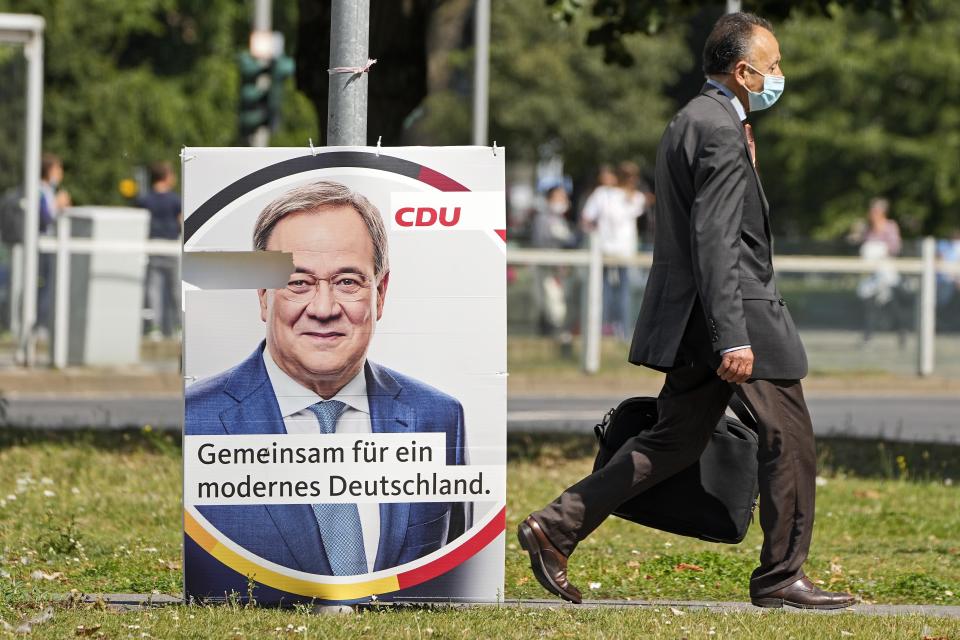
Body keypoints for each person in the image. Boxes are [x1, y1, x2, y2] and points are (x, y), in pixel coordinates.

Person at [517, 13, 856, 610]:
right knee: (790, 439)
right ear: (744, 71)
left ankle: (557, 526)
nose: (779, 75)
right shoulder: (720, 129)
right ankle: (782, 577)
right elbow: (716, 239)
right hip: (737, 314)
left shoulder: (689, 119)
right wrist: (732, 337)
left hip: (698, 314)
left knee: (674, 439)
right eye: (772, 66)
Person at [185, 180, 467, 580]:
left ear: (381, 293)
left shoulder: (439, 418)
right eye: (298, 282)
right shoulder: (196, 422)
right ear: (264, 294)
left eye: (347, 282)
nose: (323, 308)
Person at [581, 162, 648, 340]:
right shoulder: (603, 194)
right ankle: (602, 330)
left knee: (623, 290)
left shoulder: (635, 197)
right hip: (604, 251)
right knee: (604, 291)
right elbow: (587, 218)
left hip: (624, 251)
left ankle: (623, 332)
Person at [853, 198, 909, 346]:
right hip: (872, 273)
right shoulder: (868, 230)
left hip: (886, 272)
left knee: (892, 304)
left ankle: (901, 333)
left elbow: (895, 247)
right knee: (869, 304)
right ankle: (868, 336)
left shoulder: (890, 227)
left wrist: (880, 252)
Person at [136, 161, 182, 339]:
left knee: (153, 288)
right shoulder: (175, 200)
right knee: (175, 289)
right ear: (167, 176)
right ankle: (178, 326)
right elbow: (181, 222)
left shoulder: (144, 200)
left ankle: (154, 327)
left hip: (152, 246)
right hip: (170, 246)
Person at [530, 185, 575, 345]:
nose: (563, 201)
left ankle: (559, 336)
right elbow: (542, 243)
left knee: (560, 303)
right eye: (558, 197)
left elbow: (569, 241)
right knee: (552, 303)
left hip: (560, 270)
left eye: (564, 197)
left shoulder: (562, 220)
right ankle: (554, 337)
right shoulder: (542, 219)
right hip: (547, 269)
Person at [36, 153, 71, 336]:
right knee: (44, 286)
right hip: (41, 246)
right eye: (58, 168)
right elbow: (45, 218)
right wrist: (58, 205)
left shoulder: (48, 191)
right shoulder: (40, 191)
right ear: (50, 170)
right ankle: (40, 325)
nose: (61, 173)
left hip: (48, 245)